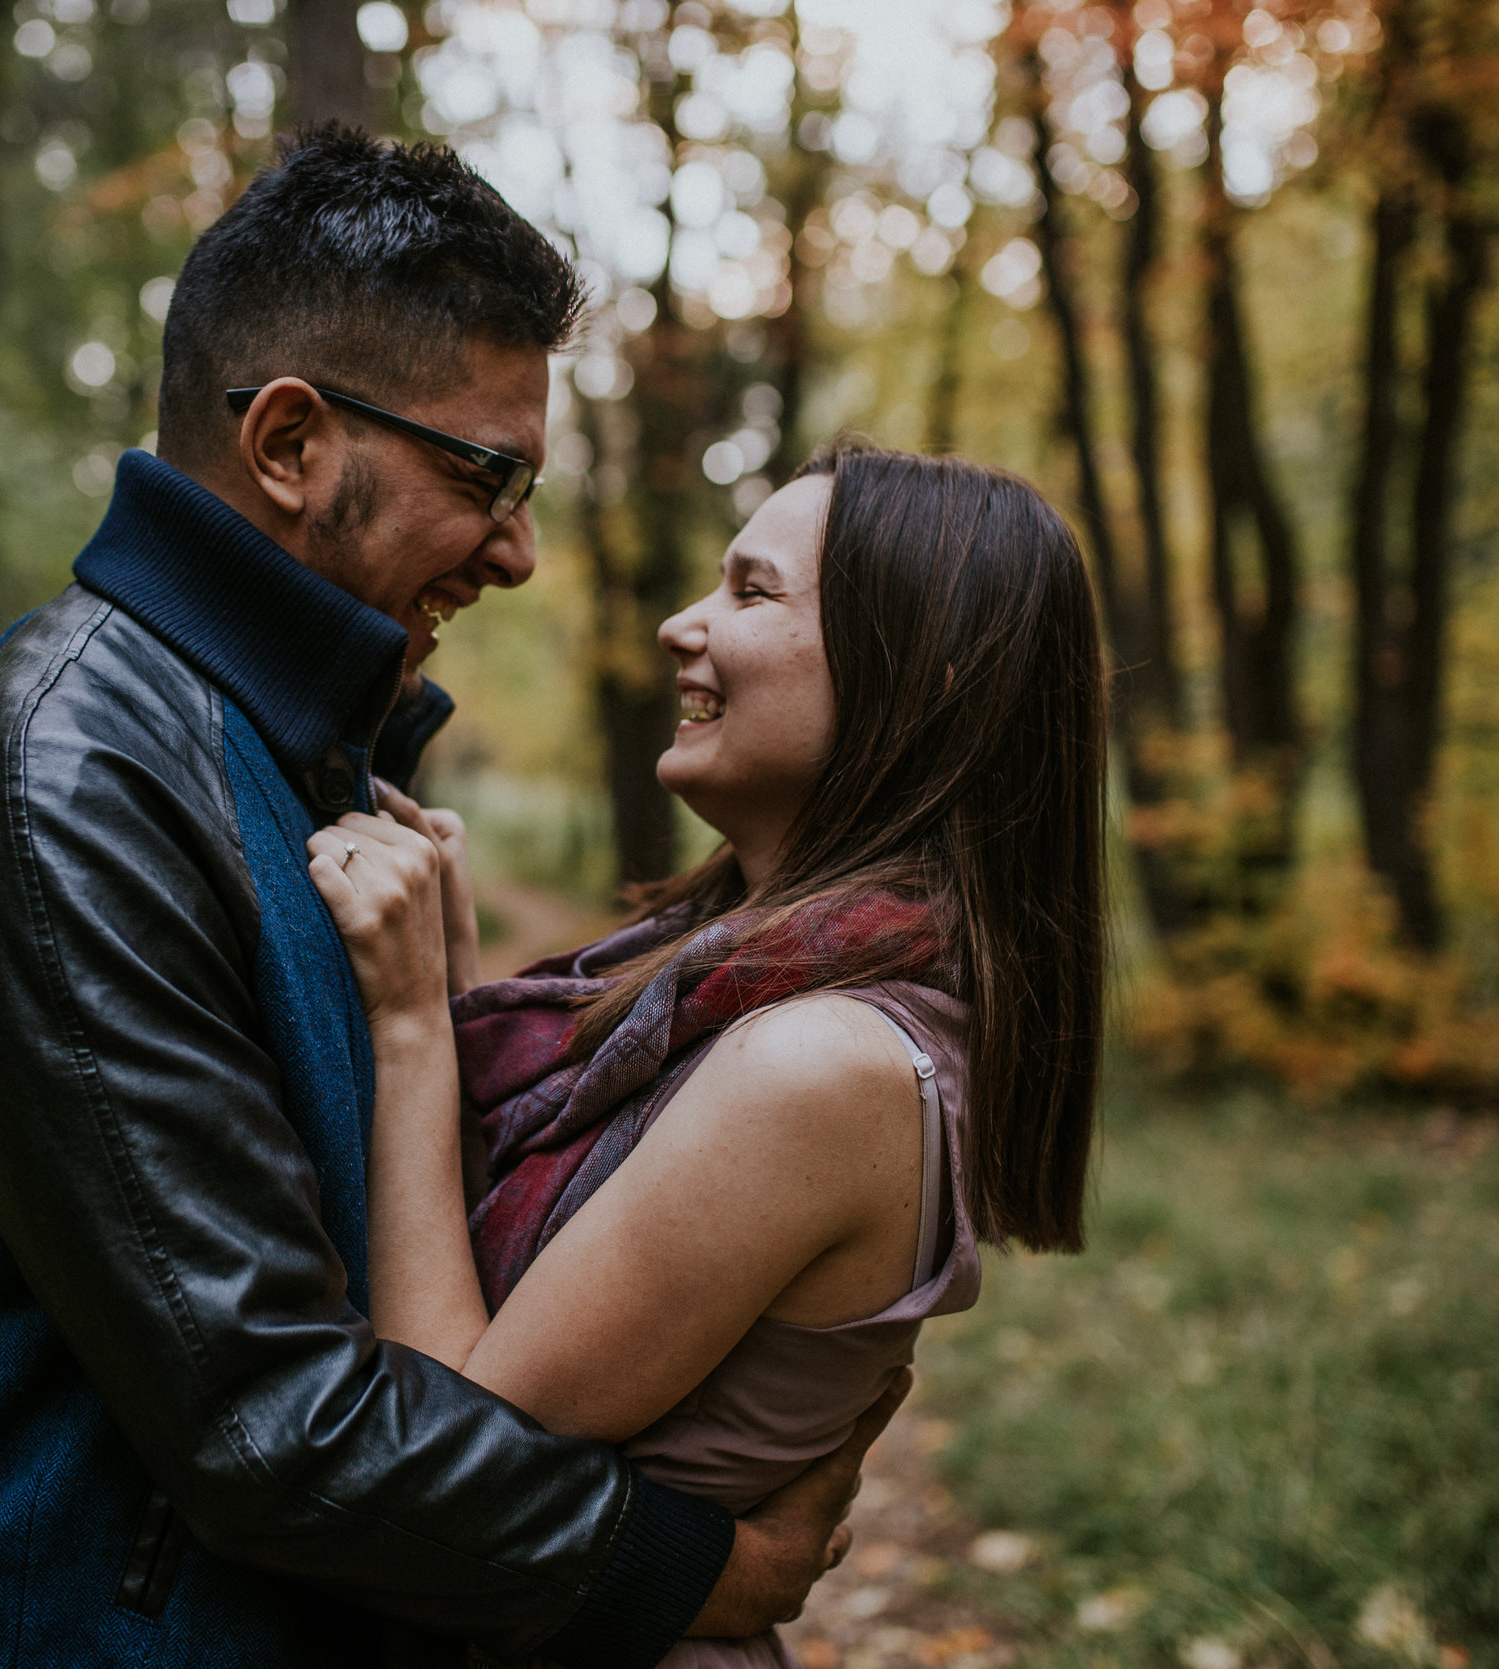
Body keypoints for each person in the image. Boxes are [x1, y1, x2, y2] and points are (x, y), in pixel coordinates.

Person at [0, 128, 894, 1669]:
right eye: (486, 476)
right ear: (290, 443)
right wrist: (683, 1570)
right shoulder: (72, 780)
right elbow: (272, 1420)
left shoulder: (301, 751)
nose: (518, 550)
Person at [309, 445, 1110, 1668]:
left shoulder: (821, 1062)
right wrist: (463, 973)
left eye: (751, 591)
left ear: (921, 684)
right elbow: (538, 1265)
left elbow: (445, 1462)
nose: (685, 625)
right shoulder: (749, 985)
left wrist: (416, 1026)